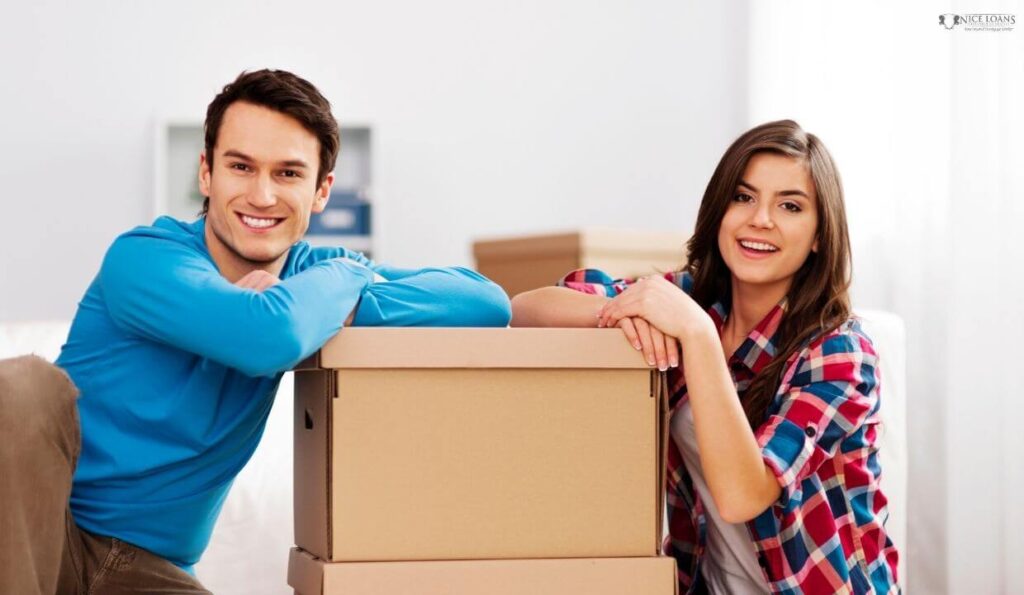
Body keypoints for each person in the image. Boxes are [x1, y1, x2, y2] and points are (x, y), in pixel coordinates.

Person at [0, 69, 511, 595]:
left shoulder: (316, 280)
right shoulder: (145, 258)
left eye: (288, 174)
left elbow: (484, 301)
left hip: (146, 571)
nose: (262, 195)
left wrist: (344, 271)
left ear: (321, 191)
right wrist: (343, 282)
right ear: (206, 174)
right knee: (23, 386)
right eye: (241, 167)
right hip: (42, 538)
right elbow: (265, 336)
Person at [511, 120, 899, 594]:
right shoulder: (695, 300)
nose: (761, 219)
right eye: (743, 197)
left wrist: (696, 336)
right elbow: (526, 308)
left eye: (790, 206)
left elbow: (743, 494)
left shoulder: (840, 353)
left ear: (820, 234)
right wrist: (623, 314)